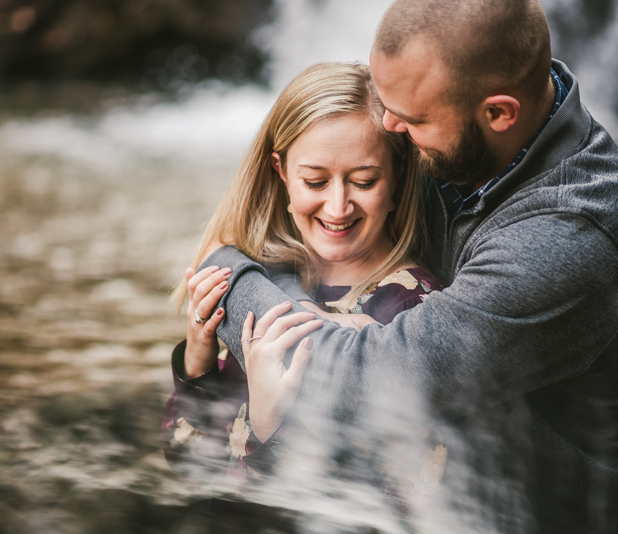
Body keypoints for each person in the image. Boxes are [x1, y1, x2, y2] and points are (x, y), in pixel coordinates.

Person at [194, 1, 618, 533]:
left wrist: (228, 274)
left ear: (499, 113)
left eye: (414, 118)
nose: (389, 125)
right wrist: (303, 299)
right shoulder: (463, 131)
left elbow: (354, 383)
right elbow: (264, 221)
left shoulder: (568, 239)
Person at [161, 62, 445, 512]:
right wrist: (198, 362)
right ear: (281, 172)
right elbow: (187, 462)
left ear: (398, 179)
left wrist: (270, 427)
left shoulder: (414, 311)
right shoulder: (260, 279)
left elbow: (395, 508)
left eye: (364, 181)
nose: (337, 205)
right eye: (315, 181)